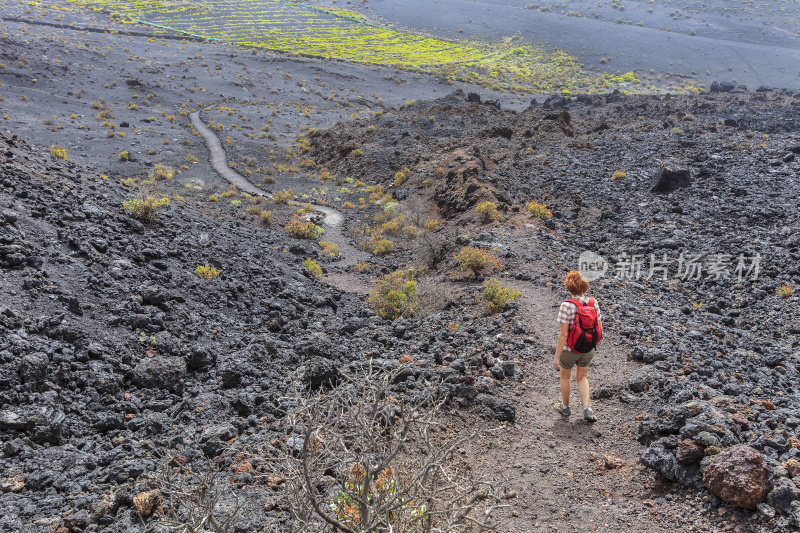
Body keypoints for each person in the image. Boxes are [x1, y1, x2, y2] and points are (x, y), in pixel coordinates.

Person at [552, 270, 602, 422]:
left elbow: (564, 334)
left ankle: (565, 407)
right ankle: (587, 409)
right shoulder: (594, 303)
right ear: (585, 286)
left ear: (569, 287)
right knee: (582, 377)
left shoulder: (566, 306)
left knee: (565, 376)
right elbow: (599, 327)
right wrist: (590, 346)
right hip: (587, 348)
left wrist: (557, 357)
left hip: (570, 350)